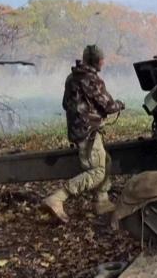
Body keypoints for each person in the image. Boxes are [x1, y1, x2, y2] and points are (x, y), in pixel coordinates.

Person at [42, 45, 125, 223]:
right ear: (97, 61)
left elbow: (66, 104)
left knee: (106, 161)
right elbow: (109, 106)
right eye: (102, 59)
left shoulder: (72, 78)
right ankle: (58, 197)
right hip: (89, 132)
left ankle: (101, 201)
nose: (104, 62)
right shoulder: (93, 80)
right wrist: (119, 104)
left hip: (77, 130)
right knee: (97, 171)